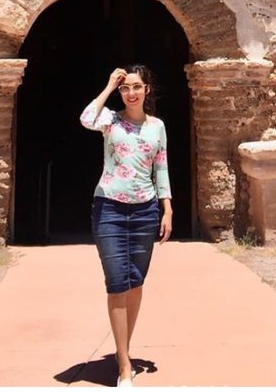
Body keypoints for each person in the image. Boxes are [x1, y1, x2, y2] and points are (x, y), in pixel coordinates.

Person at [79, 64, 172, 387]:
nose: (130, 93)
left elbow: (161, 168)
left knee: (135, 280)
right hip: (109, 208)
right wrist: (108, 85)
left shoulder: (157, 127)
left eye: (135, 86)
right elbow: (86, 118)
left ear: (147, 89)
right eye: (125, 88)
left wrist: (167, 208)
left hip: (146, 210)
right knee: (117, 281)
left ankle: (124, 350)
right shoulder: (110, 120)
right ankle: (122, 364)